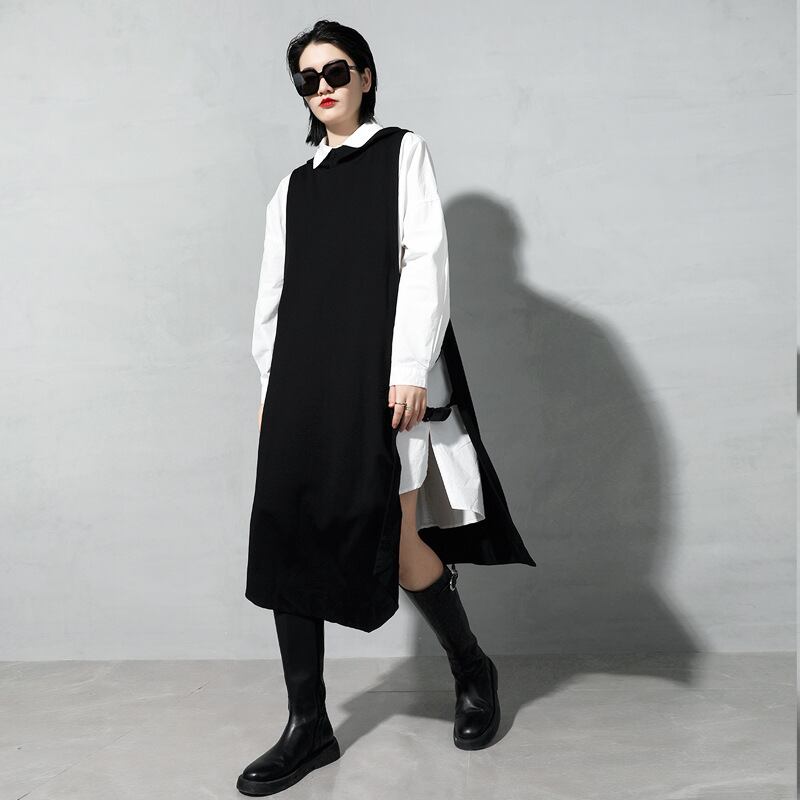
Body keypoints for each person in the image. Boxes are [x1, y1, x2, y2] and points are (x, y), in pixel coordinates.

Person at [237, 19, 536, 797]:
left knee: (396, 544)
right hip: (303, 385)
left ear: (365, 76)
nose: (322, 86)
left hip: (377, 378)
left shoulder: (402, 153)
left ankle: (471, 667)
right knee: (288, 537)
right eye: (307, 78)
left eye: (336, 70)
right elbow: (272, 298)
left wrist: (407, 369)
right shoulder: (292, 188)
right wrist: (271, 390)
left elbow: (425, 260)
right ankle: (309, 725)